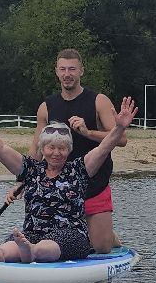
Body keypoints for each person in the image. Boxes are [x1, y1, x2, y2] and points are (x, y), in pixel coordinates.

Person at [0, 92, 137, 262]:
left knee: (48, 243)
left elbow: (103, 149)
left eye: (62, 148)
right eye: (51, 148)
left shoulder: (78, 169)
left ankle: (32, 251)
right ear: (43, 149)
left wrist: (119, 128)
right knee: (19, 241)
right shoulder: (31, 169)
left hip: (70, 235)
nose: (56, 153)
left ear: (69, 150)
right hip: (33, 232)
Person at [35, 49, 126, 252]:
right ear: (56, 72)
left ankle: (107, 235)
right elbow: (37, 150)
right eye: (63, 69)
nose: (67, 74)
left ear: (81, 71)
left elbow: (121, 140)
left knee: (101, 248)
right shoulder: (46, 107)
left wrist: (88, 132)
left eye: (72, 69)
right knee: (56, 240)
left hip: (94, 183)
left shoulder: (99, 101)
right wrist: (23, 180)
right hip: (60, 186)